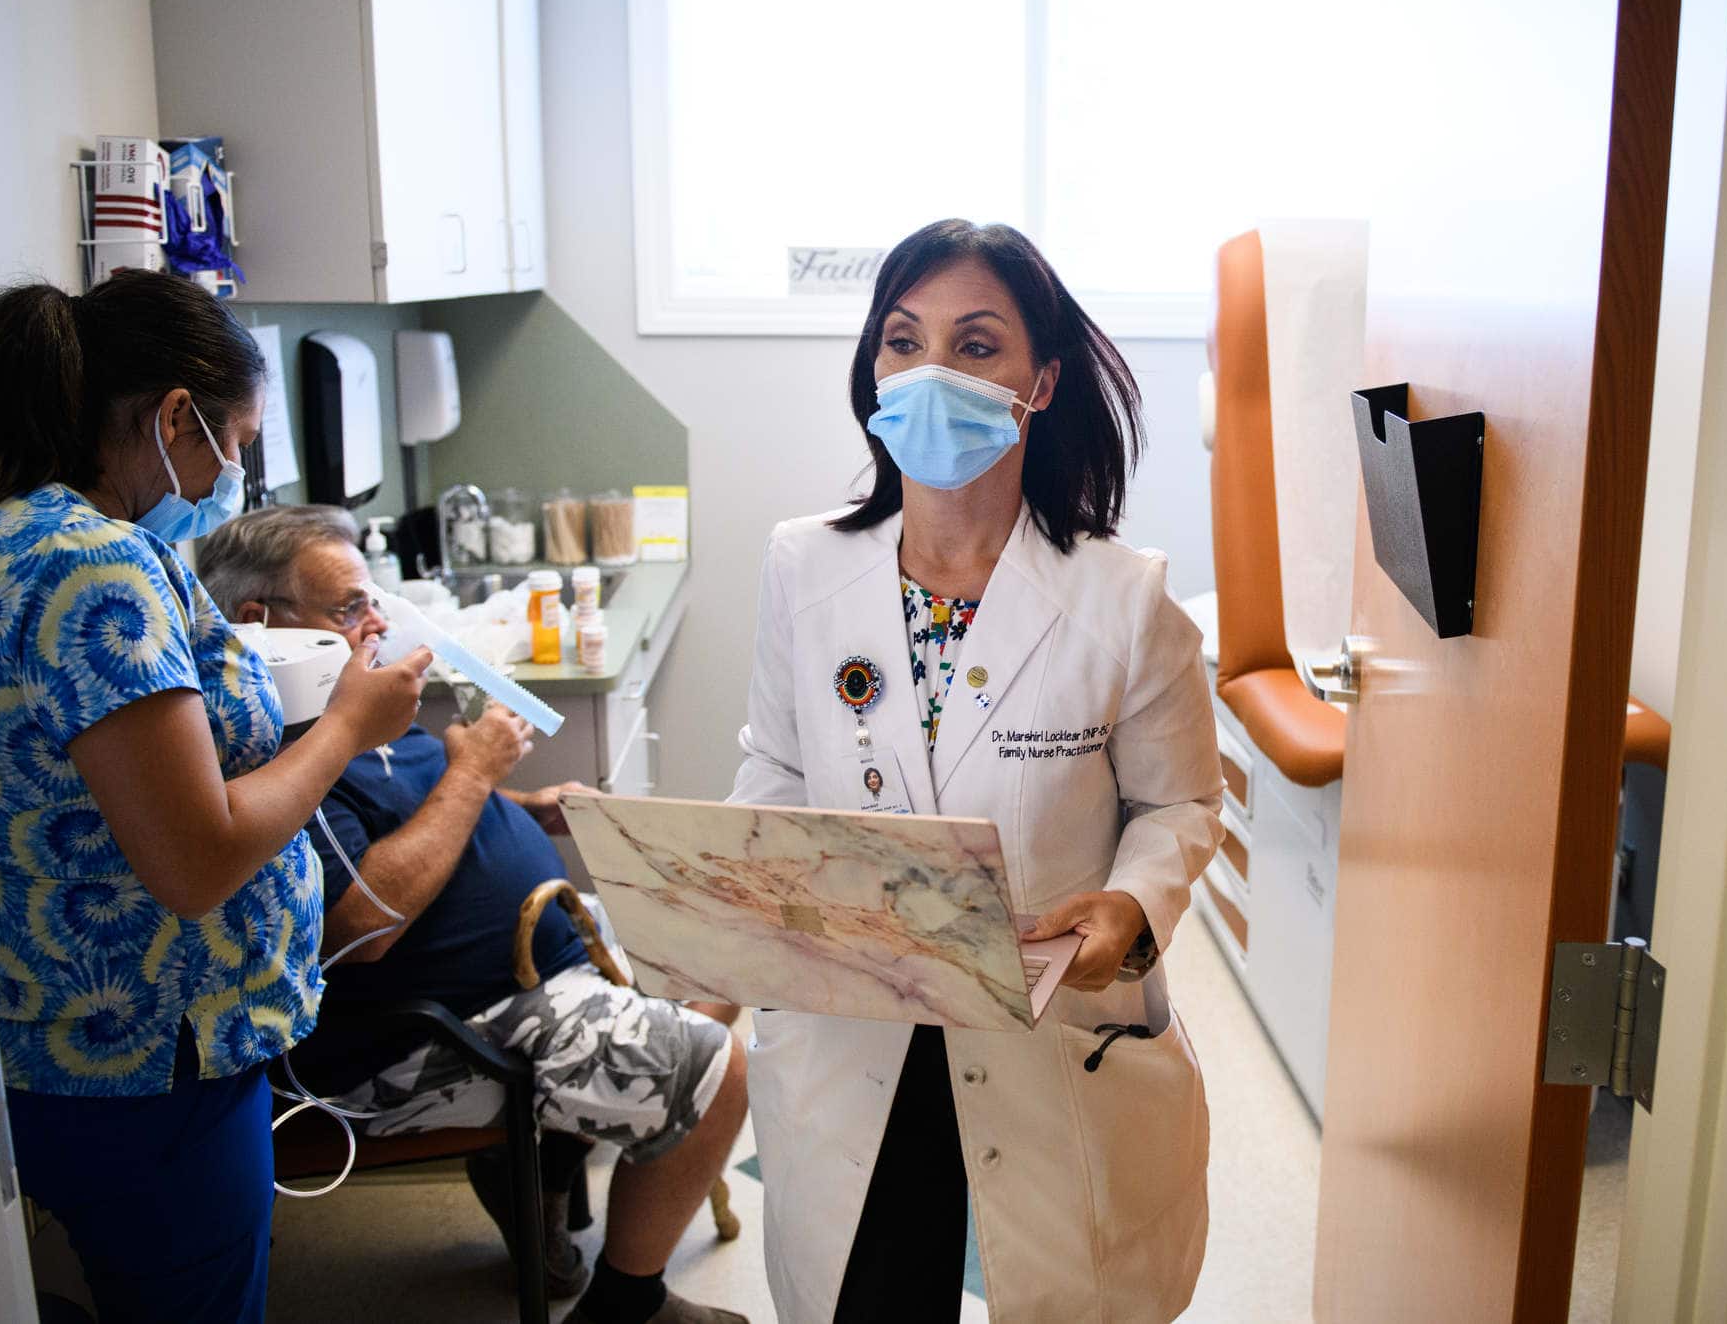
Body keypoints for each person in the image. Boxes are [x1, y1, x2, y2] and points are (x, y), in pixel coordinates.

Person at [728, 220, 1224, 1322]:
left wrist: (1131, 908)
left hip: (1046, 1029)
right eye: (901, 342)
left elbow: (1178, 799)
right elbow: (775, 760)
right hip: (855, 1018)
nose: (929, 373)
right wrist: (726, 905)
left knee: (1058, 1287)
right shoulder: (801, 564)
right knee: (866, 1290)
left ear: (1040, 382)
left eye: (976, 344)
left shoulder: (1120, 600)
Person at [0, 271, 432, 1323]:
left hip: (66, 1034)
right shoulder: (95, 571)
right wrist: (348, 724)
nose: (236, 472)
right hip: (152, 1062)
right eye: (235, 440)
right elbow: (195, 861)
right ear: (172, 417)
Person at [196, 506, 749, 1324]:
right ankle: (626, 1304)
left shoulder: (354, 705)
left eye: (371, 599)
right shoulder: (285, 754)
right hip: (440, 1029)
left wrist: (523, 802)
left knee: (722, 946)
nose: (378, 621)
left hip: (528, 961)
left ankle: (548, 1171)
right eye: (350, 608)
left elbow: (417, 810)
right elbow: (363, 928)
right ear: (260, 621)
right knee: (722, 1069)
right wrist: (475, 770)